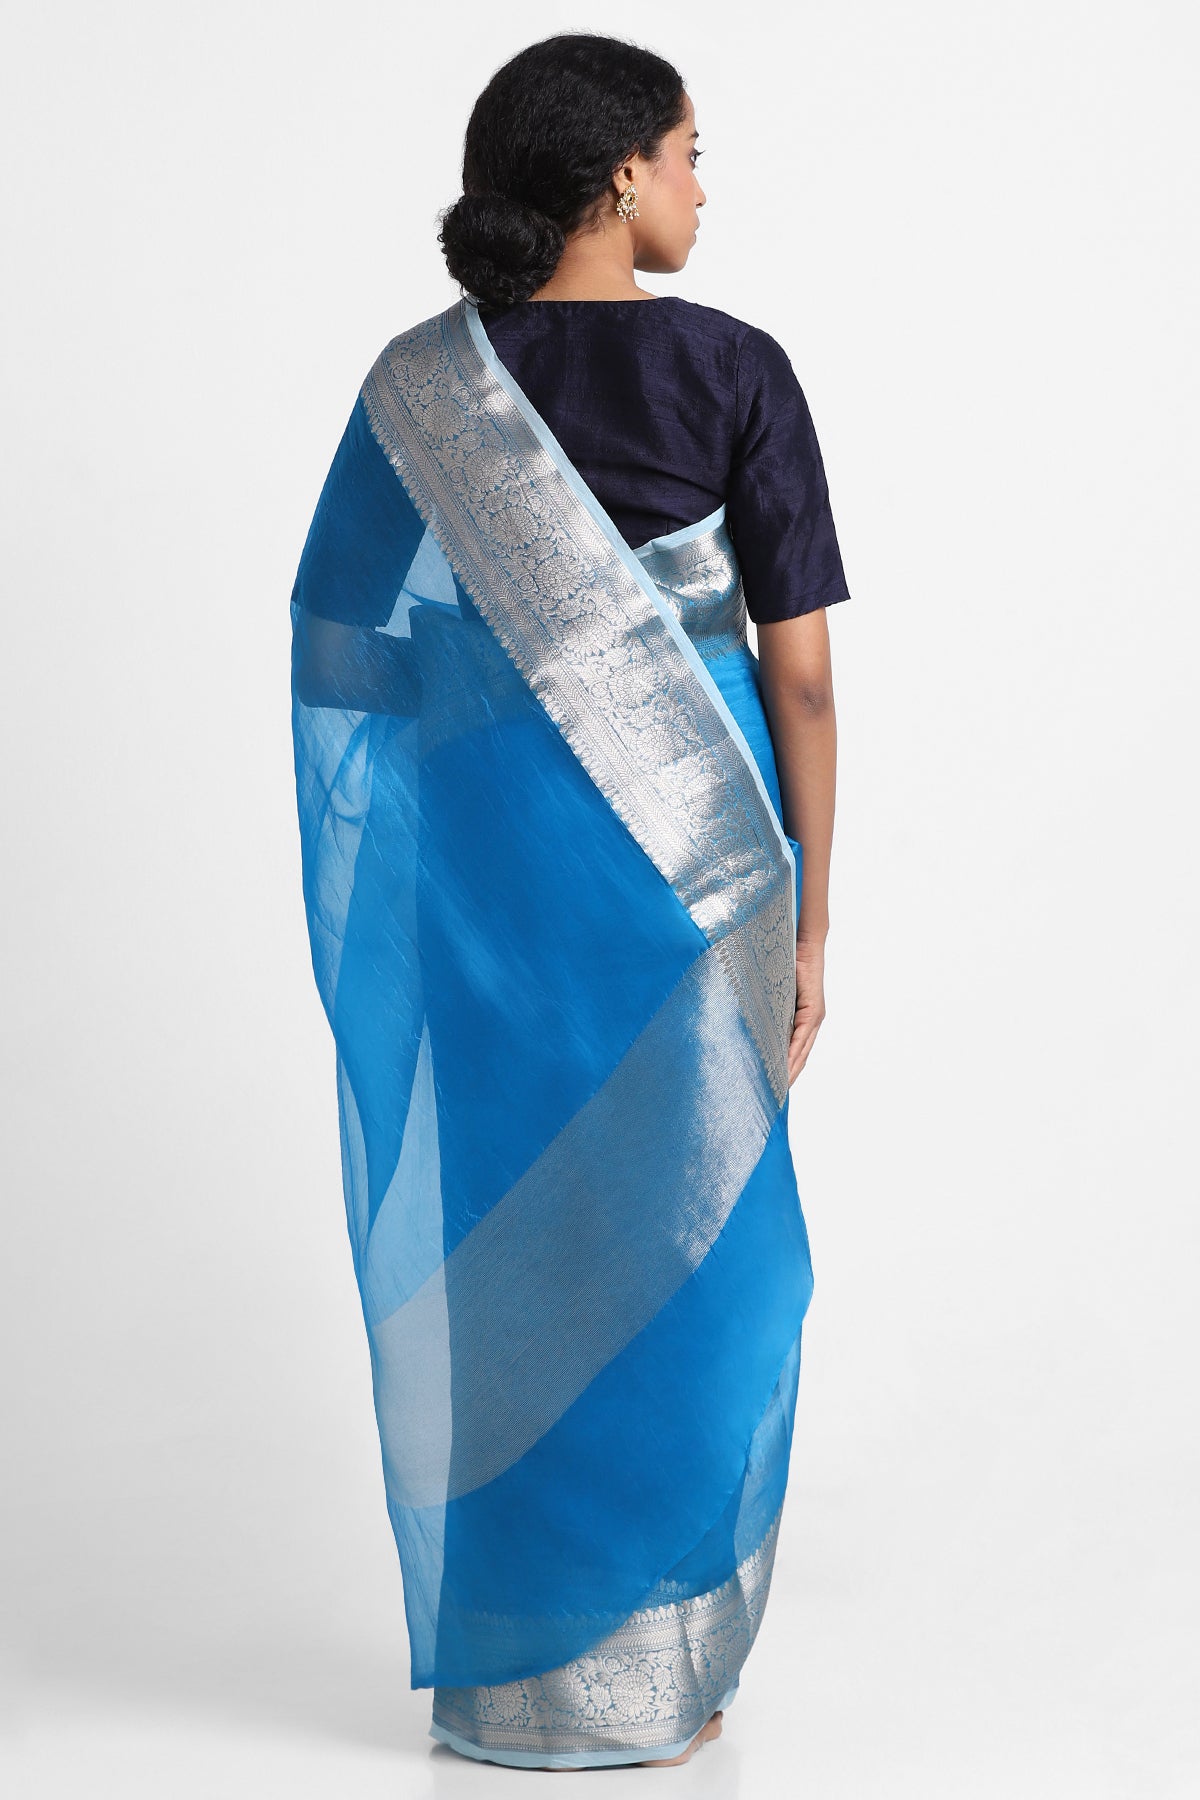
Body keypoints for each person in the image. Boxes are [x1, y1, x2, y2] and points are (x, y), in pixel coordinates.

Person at [289, 31, 849, 1772]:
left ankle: (522, 1683)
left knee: (515, 1254)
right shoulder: (734, 368)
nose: (701, 187)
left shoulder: (420, 384)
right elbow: (802, 677)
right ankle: (661, 1680)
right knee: (704, 1245)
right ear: (618, 175)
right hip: (703, 872)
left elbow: (343, 645)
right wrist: (815, 915)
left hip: (493, 891)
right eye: (688, 153)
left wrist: (485, 765)